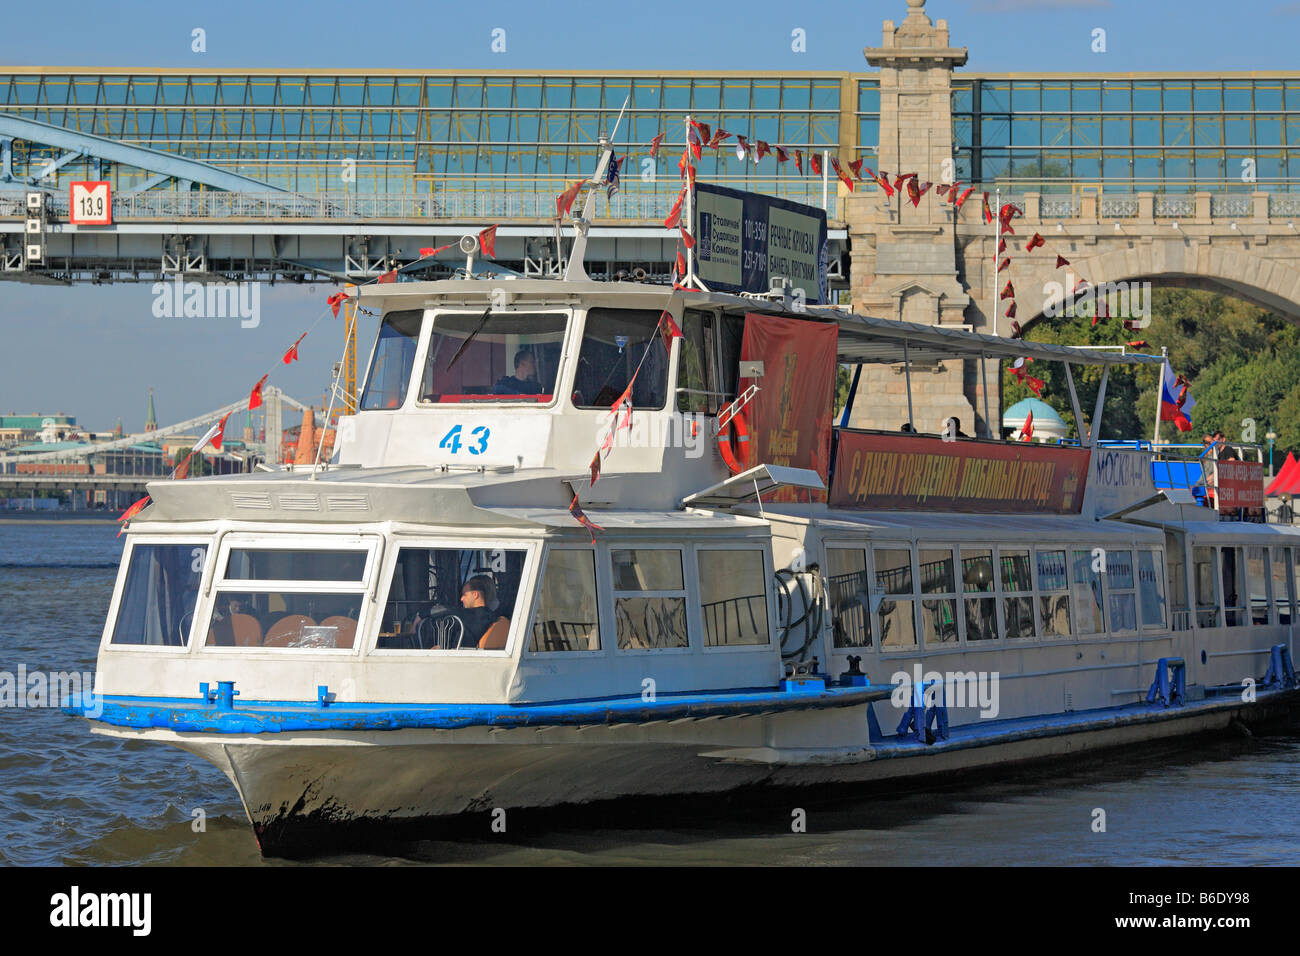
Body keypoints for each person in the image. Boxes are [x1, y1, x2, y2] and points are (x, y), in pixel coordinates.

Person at [455, 575, 510, 649]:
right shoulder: (499, 616)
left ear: (476, 594)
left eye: (465, 594)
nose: (461, 599)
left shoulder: (473, 620)